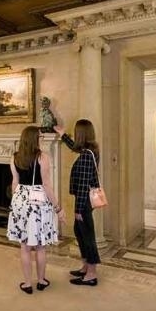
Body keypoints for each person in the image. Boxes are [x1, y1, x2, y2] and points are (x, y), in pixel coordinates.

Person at [7, 126, 66, 294]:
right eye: (40, 136)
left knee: (25, 246)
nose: (42, 138)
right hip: (38, 202)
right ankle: (41, 281)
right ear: (33, 139)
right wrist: (58, 208)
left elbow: (15, 182)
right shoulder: (42, 157)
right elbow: (46, 185)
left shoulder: (14, 157)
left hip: (20, 201)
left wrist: (17, 203)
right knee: (40, 246)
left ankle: (27, 283)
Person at [53, 119, 101, 286]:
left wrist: (79, 210)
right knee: (80, 232)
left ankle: (92, 274)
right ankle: (86, 267)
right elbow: (75, 147)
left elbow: (83, 186)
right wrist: (62, 134)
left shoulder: (87, 155)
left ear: (81, 134)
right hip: (84, 200)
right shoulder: (89, 150)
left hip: (84, 201)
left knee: (87, 236)